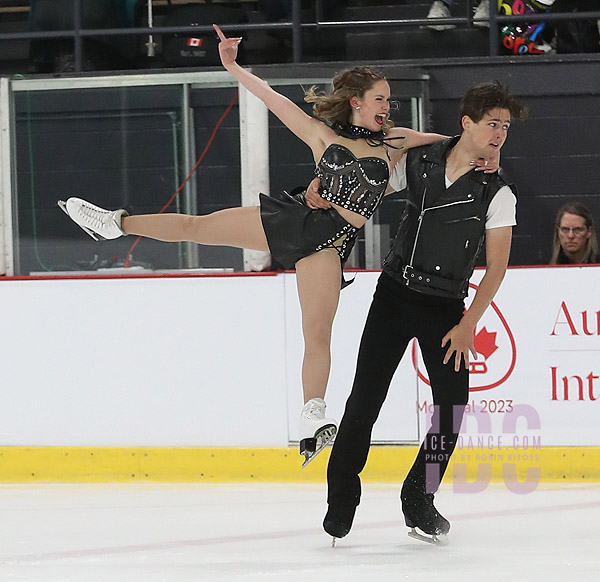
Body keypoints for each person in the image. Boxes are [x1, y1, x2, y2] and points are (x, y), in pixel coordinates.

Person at [58, 24, 451, 466]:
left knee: (317, 332)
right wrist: (232, 65)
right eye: (380, 98)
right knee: (197, 225)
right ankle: (116, 223)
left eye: (389, 99)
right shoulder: (322, 133)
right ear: (356, 101)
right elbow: (271, 97)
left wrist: (482, 147)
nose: (387, 105)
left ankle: (312, 416)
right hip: (297, 220)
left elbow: (451, 145)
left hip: (331, 245)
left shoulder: (394, 142)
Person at [307, 80, 527, 543]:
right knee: (365, 399)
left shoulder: (498, 191)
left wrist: (469, 325)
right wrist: (326, 190)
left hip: (446, 307)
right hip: (393, 295)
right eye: (492, 123)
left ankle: (418, 498)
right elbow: (367, 180)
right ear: (467, 122)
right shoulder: (420, 161)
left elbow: (498, 267)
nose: (500, 133)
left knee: (451, 408)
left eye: (505, 126)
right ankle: (341, 497)